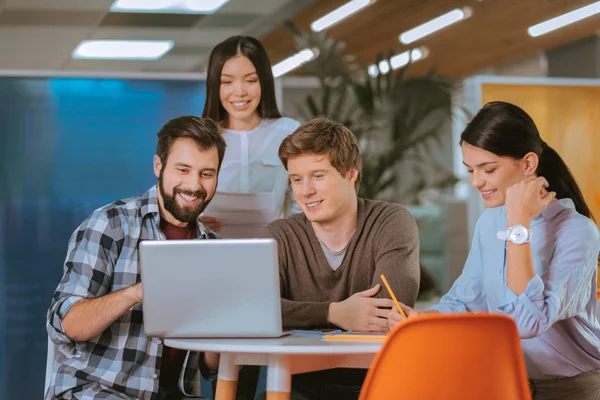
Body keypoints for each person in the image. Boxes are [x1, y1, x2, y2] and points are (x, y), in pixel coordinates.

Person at [389, 101, 600, 400]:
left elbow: (528, 322)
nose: (476, 182)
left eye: (488, 169)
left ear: (528, 164)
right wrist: (423, 319)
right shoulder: (490, 221)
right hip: (508, 381)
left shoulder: (577, 231)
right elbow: (466, 298)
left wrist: (518, 224)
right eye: (470, 170)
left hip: (574, 387)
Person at [46, 116, 227, 400]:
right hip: (96, 390)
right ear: (158, 166)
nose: (194, 185)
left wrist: (222, 330)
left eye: (207, 173)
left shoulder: (214, 249)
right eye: (183, 170)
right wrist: (137, 293)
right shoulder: (110, 224)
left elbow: (208, 368)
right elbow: (67, 325)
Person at [261, 116, 420, 400]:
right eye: (297, 179)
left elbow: (388, 311)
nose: (305, 190)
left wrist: (295, 314)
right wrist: (334, 312)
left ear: (350, 174)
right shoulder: (280, 235)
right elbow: (255, 311)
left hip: (373, 384)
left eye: (318, 176)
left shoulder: (391, 221)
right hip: (294, 386)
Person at [200, 35, 301, 235]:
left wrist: (289, 235)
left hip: (272, 250)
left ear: (264, 82)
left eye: (251, 80)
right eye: (227, 82)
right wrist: (192, 223)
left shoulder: (289, 132)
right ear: (215, 86)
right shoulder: (201, 138)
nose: (239, 92)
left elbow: (302, 200)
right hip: (211, 250)